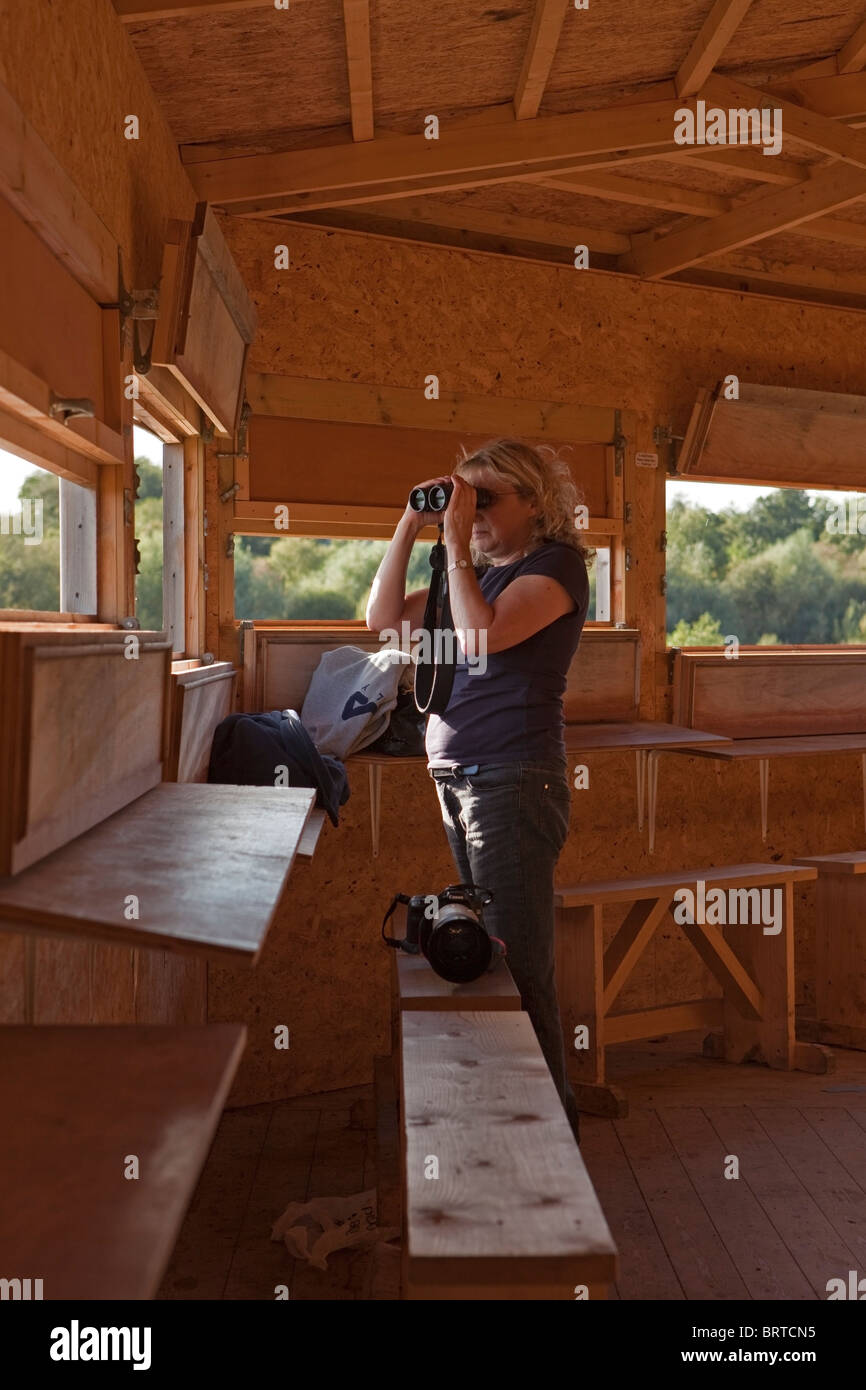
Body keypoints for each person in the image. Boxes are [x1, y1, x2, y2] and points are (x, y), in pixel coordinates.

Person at [366, 438, 590, 1142]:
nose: (473, 512)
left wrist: (456, 544)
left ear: (536, 501)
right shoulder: (474, 576)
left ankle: (551, 1137)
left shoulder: (556, 567)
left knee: (519, 966)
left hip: (513, 780)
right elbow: (380, 620)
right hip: (459, 781)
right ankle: (512, 1123)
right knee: (492, 956)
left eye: (486, 498)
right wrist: (413, 522)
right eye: (464, 497)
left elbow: (478, 638)